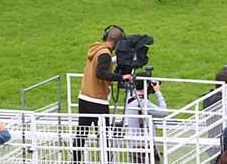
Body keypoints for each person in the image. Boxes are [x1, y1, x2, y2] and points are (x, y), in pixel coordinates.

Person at [72, 25, 133, 164]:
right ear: (117, 42)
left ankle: (74, 161)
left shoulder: (97, 49)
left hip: (84, 97)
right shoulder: (105, 53)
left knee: (81, 134)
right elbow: (100, 73)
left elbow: (101, 64)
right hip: (97, 101)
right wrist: (122, 77)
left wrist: (116, 60)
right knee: (104, 137)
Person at [125, 72, 168, 164]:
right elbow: (164, 112)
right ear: (147, 85)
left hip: (133, 144)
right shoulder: (143, 102)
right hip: (145, 144)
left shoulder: (129, 97)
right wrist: (157, 92)